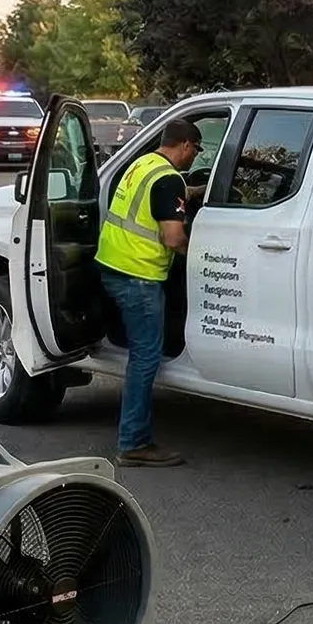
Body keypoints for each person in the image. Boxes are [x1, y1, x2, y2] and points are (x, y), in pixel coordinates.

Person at [94, 119, 204, 468]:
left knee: (141, 352)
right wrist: (204, 256)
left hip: (113, 266)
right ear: (185, 145)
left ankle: (133, 437)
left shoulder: (142, 164)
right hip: (139, 277)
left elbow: (159, 199)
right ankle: (134, 442)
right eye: (196, 151)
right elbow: (172, 238)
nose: (194, 157)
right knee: (145, 357)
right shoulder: (168, 177)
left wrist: (191, 194)